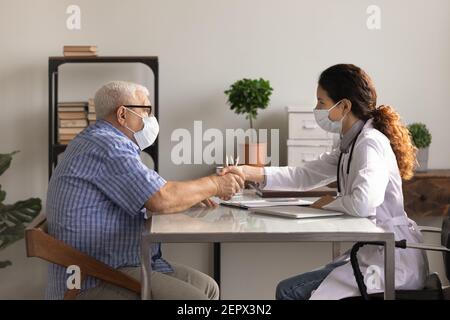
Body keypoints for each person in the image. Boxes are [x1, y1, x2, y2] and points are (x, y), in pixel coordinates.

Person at [221, 64, 429, 300]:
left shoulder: (369, 143)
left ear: (344, 106)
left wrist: (329, 202)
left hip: (390, 260)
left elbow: (363, 204)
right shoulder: (350, 143)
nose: (316, 109)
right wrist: (248, 172)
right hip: (372, 252)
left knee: (288, 292)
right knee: (291, 288)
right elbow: (303, 176)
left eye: (321, 102)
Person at [46, 81, 245, 300]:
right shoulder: (109, 146)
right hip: (94, 275)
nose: (150, 119)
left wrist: (192, 195)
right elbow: (161, 198)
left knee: (208, 288)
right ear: (122, 114)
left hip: (113, 262)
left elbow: (156, 190)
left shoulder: (99, 141)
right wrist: (216, 184)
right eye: (145, 110)